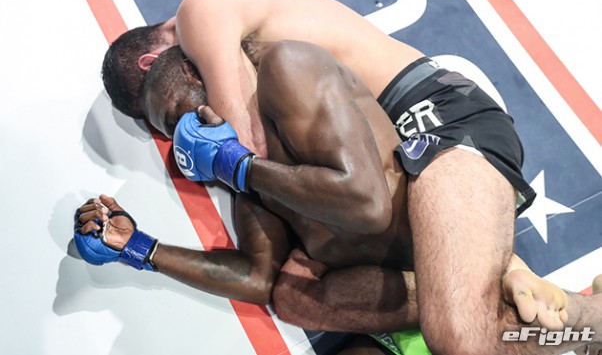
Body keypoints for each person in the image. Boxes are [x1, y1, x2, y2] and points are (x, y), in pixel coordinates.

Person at [82, 44, 600, 354]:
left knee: (467, 339)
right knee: (292, 297)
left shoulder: (288, 68)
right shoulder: (241, 175)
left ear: (200, 74)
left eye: (180, 113)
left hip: (445, 211)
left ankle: (585, 318)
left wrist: (242, 167)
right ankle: (514, 298)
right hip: (408, 286)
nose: (188, 135)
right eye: (174, 133)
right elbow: (260, 278)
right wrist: (142, 249)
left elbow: (367, 206)